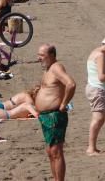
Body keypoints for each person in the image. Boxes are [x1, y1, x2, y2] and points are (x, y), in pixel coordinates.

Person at [35, 43, 76, 181]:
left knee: (56, 152)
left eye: (42, 55)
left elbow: (71, 84)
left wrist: (64, 103)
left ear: (52, 55)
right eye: (38, 55)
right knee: (50, 152)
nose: (38, 58)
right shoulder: (48, 68)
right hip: (45, 116)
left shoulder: (56, 67)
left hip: (54, 116)